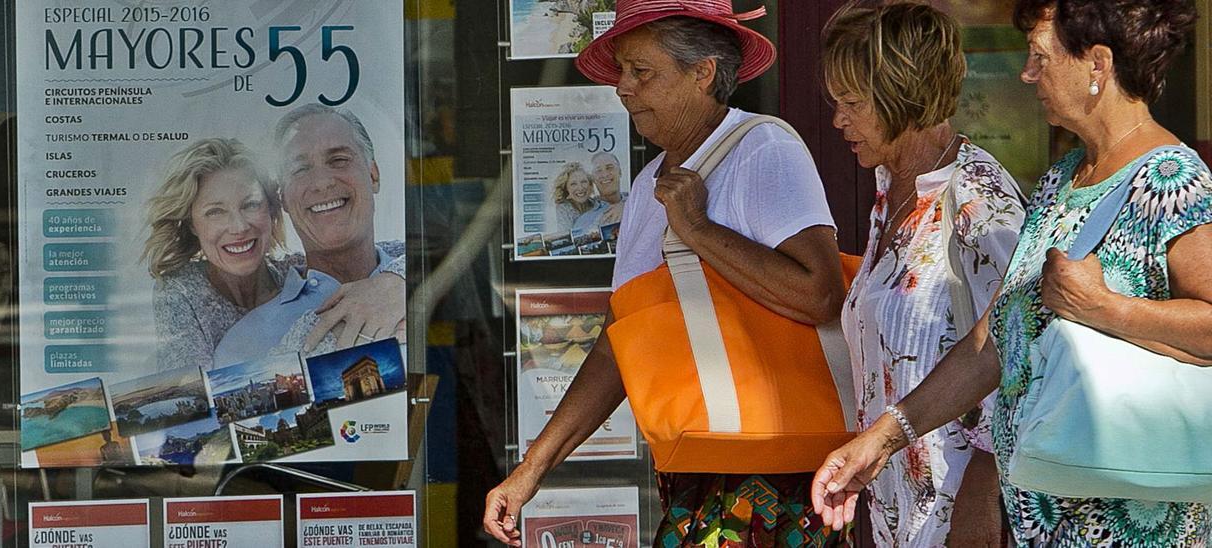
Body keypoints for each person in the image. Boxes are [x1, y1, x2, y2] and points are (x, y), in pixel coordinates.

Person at [812, 1, 1212, 545]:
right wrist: (883, 439)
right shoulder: (1062, 181)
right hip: (1044, 525)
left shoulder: (1172, 178)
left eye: (1039, 57)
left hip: (1131, 528)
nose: (1027, 74)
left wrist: (1110, 309)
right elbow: (993, 340)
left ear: (1097, 64)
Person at [484, 1, 848, 545]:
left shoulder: (762, 148)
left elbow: (821, 294)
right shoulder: (649, 184)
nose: (623, 88)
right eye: (623, 72)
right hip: (697, 468)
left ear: (702, 72)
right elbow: (615, 345)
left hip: (772, 475)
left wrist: (697, 229)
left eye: (642, 71)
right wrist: (530, 470)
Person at [822, 4, 1025, 546]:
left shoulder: (977, 200)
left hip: (961, 521)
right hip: (900, 517)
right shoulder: (892, 190)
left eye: (852, 103)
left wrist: (981, 507)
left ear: (901, 95)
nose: (838, 120)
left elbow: (1013, 355)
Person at [212, 104, 407, 367]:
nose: (322, 182)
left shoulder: (430, 280)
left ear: (373, 175)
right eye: (300, 169)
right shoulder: (242, 345)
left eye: (338, 160)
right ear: (282, 198)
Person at [142, 138, 291, 372]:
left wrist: (372, 290)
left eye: (250, 204)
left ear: (271, 209)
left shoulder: (298, 272)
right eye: (215, 212)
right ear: (192, 224)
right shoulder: (181, 291)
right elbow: (193, 397)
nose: (239, 227)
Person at [551, 161, 601, 232]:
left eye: (583, 182)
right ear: (566, 189)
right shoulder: (564, 209)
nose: (580, 188)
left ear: (590, 186)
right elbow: (565, 235)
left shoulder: (598, 204)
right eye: (573, 184)